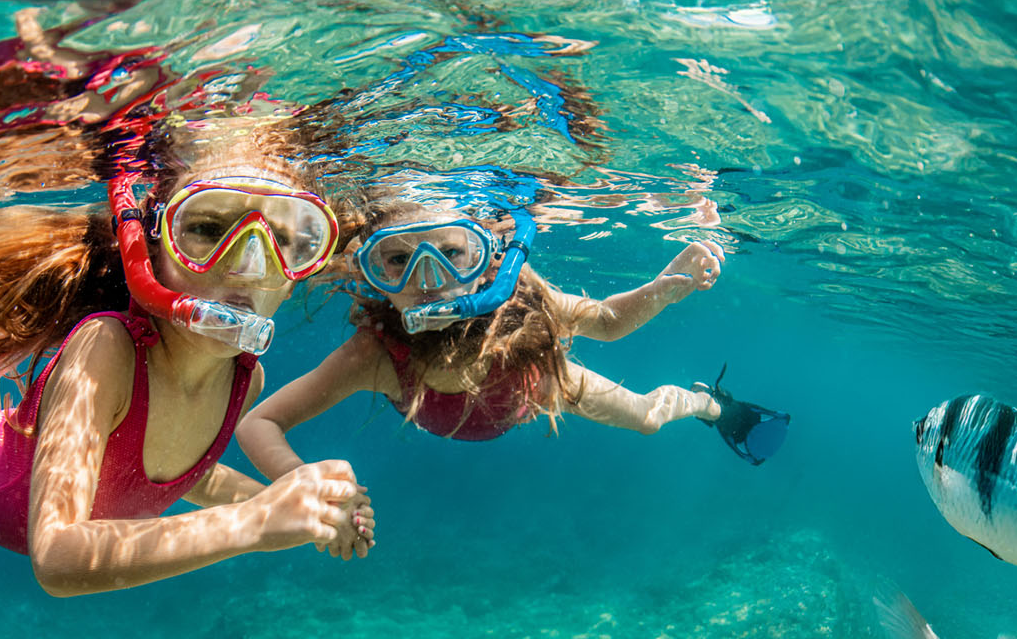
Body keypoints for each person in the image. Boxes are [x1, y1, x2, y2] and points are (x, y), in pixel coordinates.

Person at [0, 18, 377, 593]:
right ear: (150, 245)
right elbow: (56, 556)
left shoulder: (243, 380)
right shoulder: (105, 349)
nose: (248, 264)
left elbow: (181, 476)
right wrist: (259, 520)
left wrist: (306, 511)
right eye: (206, 227)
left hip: (14, 441)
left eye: (287, 238)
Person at [237, 189, 788, 495]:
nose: (427, 280)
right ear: (372, 271)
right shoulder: (376, 354)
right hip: (489, 403)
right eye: (398, 261)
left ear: (487, 260)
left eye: (452, 254)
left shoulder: (520, 297)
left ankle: (706, 403)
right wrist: (300, 482)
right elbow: (259, 423)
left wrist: (662, 290)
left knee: (647, 418)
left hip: (542, 386)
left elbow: (604, 322)